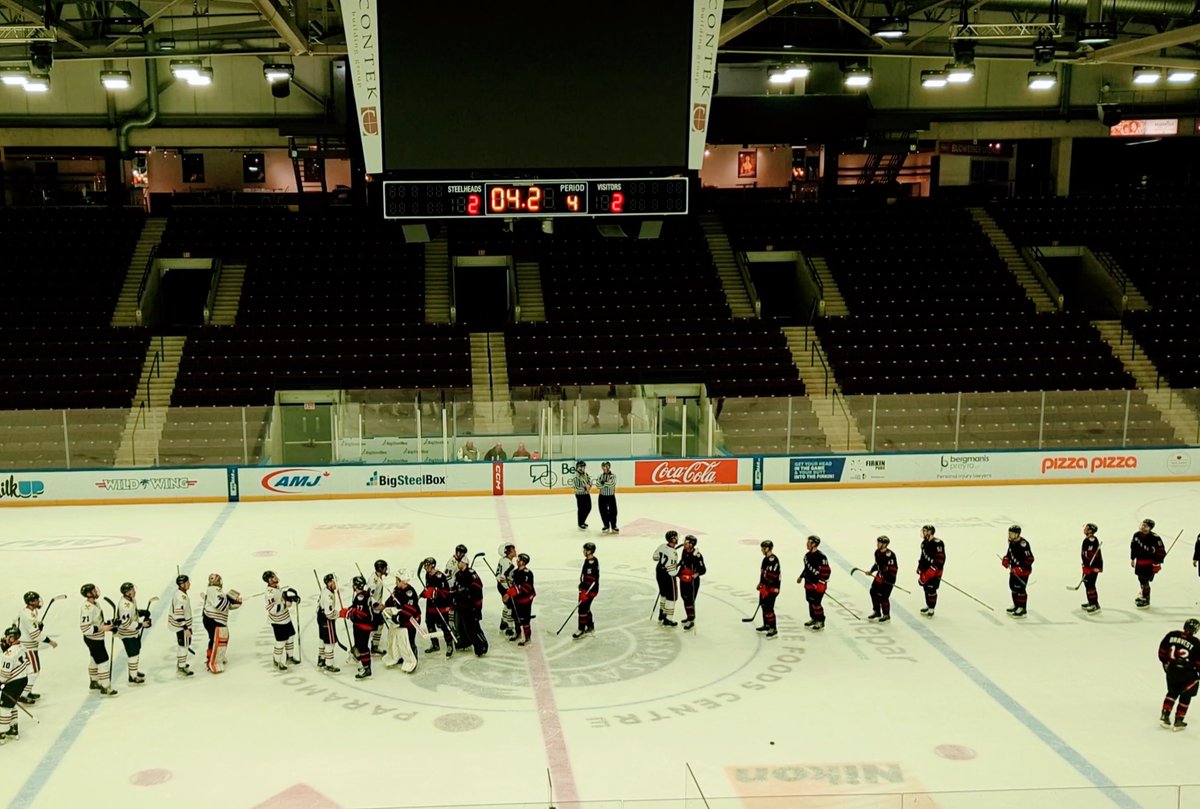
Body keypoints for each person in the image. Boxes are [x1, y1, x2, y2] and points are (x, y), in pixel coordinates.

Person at [1158, 618, 1200, 731]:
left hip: (1172, 669)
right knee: (1186, 696)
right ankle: (1179, 720)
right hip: (1188, 673)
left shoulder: (1172, 635)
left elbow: (1162, 650)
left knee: (1172, 692)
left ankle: (1165, 715)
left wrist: (1165, 662)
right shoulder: (1196, 643)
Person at [17, 591, 57, 703]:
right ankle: (23, 694)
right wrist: (50, 641)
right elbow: (35, 635)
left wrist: (37, 625)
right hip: (28, 647)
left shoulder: (25, 612)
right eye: (36, 600)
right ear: (31, 602)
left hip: (25, 645)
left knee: (31, 670)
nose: (38, 601)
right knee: (34, 671)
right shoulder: (29, 615)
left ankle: (27, 692)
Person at [79, 584, 117, 695]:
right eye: (93, 591)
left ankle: (94, 681)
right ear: (88, 594)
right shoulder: (87, 609)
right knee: (103, 660)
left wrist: (110, 624)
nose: (96, 591)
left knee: (94, 659)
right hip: (93, 639)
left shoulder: (95, 604)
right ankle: (105, 686)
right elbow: (85, 628)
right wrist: (103, 628)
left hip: (96, 638)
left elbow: (98, 622)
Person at [202, 574, 242, 674]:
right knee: (216, 639)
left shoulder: (215, 590)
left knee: (220, 639)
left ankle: (218, 656)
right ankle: (211, 660)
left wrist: (235, 603)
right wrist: (231, 601)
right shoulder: (213, 590)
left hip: (216, 619)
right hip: (213, 619)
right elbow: (220, 605)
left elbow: (225, 605)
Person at [383, 571, 421, 673]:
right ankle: (400, 657)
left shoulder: (410, 593)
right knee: (398, 639)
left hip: (412, 621)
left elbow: (410, 610)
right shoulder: (397, 589)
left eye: (397, 580)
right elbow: (391, 600)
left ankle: (413, 660)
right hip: (401, 618)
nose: (395, 582)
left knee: (409, 640)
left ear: (402, 581)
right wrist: (384, 606)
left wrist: (398, 618)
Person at [263, 571, 301, 671]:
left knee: (291, 636)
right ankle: (277, 661)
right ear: (270, 580)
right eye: (273, 577)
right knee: (281, 641)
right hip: (278, 621)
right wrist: (285, 604)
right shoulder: (269, 593)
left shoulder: (277, 586)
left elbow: (282, 597)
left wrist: (290, 597)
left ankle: (289, 657)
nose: (276, 577)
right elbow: (271, 609)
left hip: (286, 617)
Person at [115, 582, 151, 685]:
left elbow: (133, 613)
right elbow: (126, 623)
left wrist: (141, 612)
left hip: (133, 632)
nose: (134, 591)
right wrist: (141, 624)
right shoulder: (124, 606)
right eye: (132, 590)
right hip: (127, 634)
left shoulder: (132, 600)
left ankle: (133, 671)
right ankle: (133, 676)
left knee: (136, 651)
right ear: (127, 593)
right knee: (133, 654)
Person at [1, 625, 31, 744]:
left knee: (4, 707)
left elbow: (4, 675)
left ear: (13, 638)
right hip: (23, 679)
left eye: (8, 637)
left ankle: (1, 734)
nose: (5, 639)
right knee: (11, 704)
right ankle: (13, 729)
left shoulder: (8, 655)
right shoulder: (22, 646)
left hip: (14, 683)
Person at [420, 557, 454, 657]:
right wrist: (422, 594)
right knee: (429, 623)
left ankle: (449, 644)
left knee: (444, 625)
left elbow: (445, 592)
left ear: (433, 565)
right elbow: (427, 588)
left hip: (440, 605)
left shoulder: (440, 576)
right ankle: (435, 644)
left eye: (427, 565)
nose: (425, 567)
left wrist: (434, 593)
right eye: (425, 565)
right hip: (430, 605)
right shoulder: (427, 575)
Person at [797, 535, 831, 631]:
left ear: (814, 544)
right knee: (810, 601)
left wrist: (821, 582)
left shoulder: (821, 557)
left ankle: (820, 620)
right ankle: (814, 618)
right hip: (808, 583)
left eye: (809, 542)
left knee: (816, 603)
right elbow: (807, 569)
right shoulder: (807, 556)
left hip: (818, 585)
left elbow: (826, 571)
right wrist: (801, 576)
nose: (807, 544)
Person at [346, 576, 377, 679]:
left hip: (362, 626)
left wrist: (348, 613)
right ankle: (365, 666)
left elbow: (361, 614)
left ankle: (367, 669)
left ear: (356, 586)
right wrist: (350, 609)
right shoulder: (363, 595)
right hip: (362, 626)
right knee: (361, 646)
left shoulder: (361, 597)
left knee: (362, 647)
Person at [1131, 518, 1166, 609]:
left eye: (1145, 526)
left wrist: (1158, 561)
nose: (1143, 527)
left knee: (1145, 580)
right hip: (1139, 562)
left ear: (1150, 528)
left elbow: (1161, 551)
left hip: (1149, 563)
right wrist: (1132, 558)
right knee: (1140, 579)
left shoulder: (1155, 538)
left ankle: (1146, 598)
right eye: (1142, 525)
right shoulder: (1136, 535)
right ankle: (1143, 592)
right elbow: (1133, 547)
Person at [453, 559, 486, 655]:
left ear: (464, 563)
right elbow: (456, 589)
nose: (458, 564)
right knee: (462, 626)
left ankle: (482, 645)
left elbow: (478, 587)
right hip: (461, 605)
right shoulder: (458, 574)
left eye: (459, 562)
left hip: (471, 606)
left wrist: (466, 591)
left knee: (473, 627)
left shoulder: (471, 573)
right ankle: (465, 643)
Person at [1002, 525, 1034, 618]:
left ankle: (1022, 608)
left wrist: (1021, 568)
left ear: (1017, 534)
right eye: (1009, 533)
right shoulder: (1011, 542)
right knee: (1013, 587)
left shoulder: (1023, 544)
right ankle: (1016, 605)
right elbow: (1009, 553)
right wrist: (1006, 559)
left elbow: (1030, 559)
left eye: (1011, 533)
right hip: (1013, 570)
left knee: (1020, 589)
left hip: (1023, 571)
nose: (1010, 535)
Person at [168, 575, 195, 677]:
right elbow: (179, 615)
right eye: (187, 582)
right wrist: (186, 628)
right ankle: (182, 668)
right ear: (182, 584)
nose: (189, 584)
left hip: (179, 625)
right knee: (184, 646)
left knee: (182, 646)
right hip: (181, 626)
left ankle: (180, 664)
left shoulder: (179, 593)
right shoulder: (181, 597)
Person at [653, 531, 681, 627]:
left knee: (663, 593)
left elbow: (655, 557)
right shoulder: (673, 553)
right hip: (668, 575)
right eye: (676, 537)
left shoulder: (661, 546)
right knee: (672, 597)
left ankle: (662, 613)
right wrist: (678, 573)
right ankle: (668, 619)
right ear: (673, 539)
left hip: (659, 572)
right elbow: (672, 570)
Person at [678, 535, 706, 630]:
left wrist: (695, 575)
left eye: (686, 543)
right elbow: (682, 562)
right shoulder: (684, 551)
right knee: (684, 597)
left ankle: (691, 620)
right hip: (683, 579)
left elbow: (703, 570)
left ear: (691, 544)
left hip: (692, 582)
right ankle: (688, 617)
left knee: (690, 600)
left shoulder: (697, 556)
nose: (684, 544)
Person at [917, 524, 945, 618]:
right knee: (925, 588)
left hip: (935, 571)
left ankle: (932, 608)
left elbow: (941, 559)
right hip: (925, 570)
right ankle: (928, 605)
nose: (923, 532)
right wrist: (919, 566)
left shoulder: (938, 543)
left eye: (925, 531)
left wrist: (933, 570)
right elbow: (922, 556)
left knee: (931, 589)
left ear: (930, 532)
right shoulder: (924, 543)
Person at [868, 536, 898, 623]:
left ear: (885, 544)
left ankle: (886, 614)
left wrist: (885, 579)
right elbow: (877, 564)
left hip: (888, 579)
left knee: (883, 597)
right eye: (877, 542)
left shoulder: (890, 555)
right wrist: (871, 571)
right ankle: (877, 611)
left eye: (880, 543)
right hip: (879, 576)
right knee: (873, 592)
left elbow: (893, 569)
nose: (878, 544)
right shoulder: (877, 552)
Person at [510, 553, 537, 646]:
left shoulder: (527, 573)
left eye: (519, 559)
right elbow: (513, 583)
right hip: (517, 598)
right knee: (515, 615)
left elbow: (527, 587)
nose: (517, 560)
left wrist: (515, 590)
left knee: (524, 618)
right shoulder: (515, 571)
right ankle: (518, 633)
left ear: (523, 562)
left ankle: (527, 637)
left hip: (526, 599)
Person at [316, 573, 341, 673]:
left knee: (322, 639)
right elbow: (329, 613)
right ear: (330, 583)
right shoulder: (329, 596)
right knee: (330, 642)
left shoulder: (326, 590)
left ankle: (321, 659)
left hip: (320, 617)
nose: (336, 584)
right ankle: (329, 664)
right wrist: (340, 614)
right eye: (335, 582)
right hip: (326, 619)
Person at [574, 542, 599, 639]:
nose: (583, 551)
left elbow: (592, 580)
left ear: (589, 551)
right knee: (586, 608)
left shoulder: (592, 563)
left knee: (582, 609)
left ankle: (581, 629)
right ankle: (590, 626)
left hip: (590, 590)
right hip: (585, 589)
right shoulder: (587, 560)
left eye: (585, 550)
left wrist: (585, 591)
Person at [757, 540, 781, 637]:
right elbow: (763, 574)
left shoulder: (773, 560)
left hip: (772, 588)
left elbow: (772, 576)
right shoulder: (765, 559)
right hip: (765, 587)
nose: (762, 550)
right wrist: (760, 583)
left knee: (769, 607)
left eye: (764, 548)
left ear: (769, 548)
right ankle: (767, 624)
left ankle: (773, 628)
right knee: (763, 605)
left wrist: (766, 587)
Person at [495, 543, 518, 639]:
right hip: (505, 587)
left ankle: (503, 622)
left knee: (507, 605)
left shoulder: (503, 561)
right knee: (510, 606)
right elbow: (502, 577)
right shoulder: (507, 563)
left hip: (502, 586)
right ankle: (509, 627)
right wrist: (508, 591)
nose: (515, 551)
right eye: (513, 550)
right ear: (508, 552)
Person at [1081, 523, 1104, 613]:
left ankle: (1095, 604)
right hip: (1089, 566)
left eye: (1086, 528)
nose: (1084, 529)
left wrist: (1087, 566)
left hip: (1092, 567)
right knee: (1087, 584)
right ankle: (1091, 601)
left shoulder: (1090, 541)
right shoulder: (1091, 540)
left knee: (1090, 584)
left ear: (1090, 530)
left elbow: (1089, 555)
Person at [369, 559, 389, 654]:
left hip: (377, 610)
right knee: (370, 630)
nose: (386, 569)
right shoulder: (373, 580)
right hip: (372, 610)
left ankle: (375, 646)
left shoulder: (379, 577)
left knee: (380, 626)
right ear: (380, 568)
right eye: (385, 568)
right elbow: (368, 595)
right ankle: (358, 649)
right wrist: (376, 605)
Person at [597, 461, 619, 534]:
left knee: (613, 511)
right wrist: (606, 483)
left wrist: (603, 483)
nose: (604, 468)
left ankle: (613, 526)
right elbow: (598, 485)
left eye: (606, 466)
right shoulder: (600, 476)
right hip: (602, 496)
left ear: (609, 467)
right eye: (603, 466)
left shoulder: (613, 476)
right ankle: (606, 525)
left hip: (611, 496)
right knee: (603, 511)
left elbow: (612, 484)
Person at [573, 460, 593, 530]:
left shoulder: (585, 474)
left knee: (588, 507)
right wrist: (585, 488)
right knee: (581, 509)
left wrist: (590, 486)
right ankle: (580, 523)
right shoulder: (576, 476)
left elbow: (590, 480)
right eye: (582, 467)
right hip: (580, 495)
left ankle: (582, 521)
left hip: (586, 494)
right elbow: (576, 488)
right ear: (578, 467)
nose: (583, 468)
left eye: (584, 467)